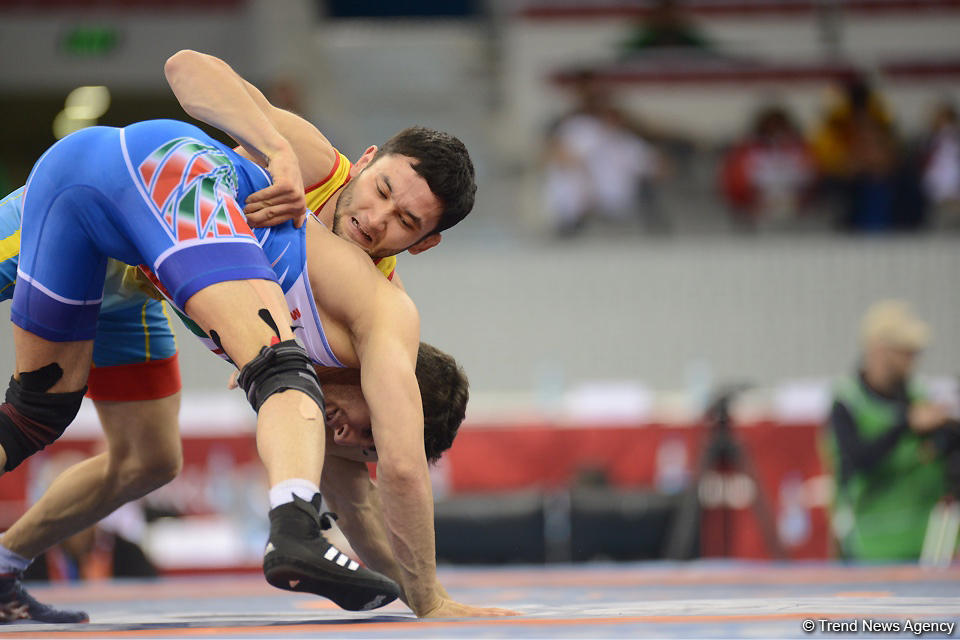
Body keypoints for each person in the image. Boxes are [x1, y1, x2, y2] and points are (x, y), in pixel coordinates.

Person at [0, 49, 509, 622]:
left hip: (142, 277)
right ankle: (293, 526)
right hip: (136, 198)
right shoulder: (322, 174)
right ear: (366, 161)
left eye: (406, 223)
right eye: (382, 190)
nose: (376, 218)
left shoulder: (363, 307)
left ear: (424, 243)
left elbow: (356, 495)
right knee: (281, 373)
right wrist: (279, 150)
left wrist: (422, 598)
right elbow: (184, 68)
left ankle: (3, 564)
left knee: (134, 452)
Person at [824, 300, 960, 561]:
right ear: (879, 350)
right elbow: (859, 459)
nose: (913, 359)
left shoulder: (919, 396)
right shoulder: (849, 401)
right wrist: (906, 425)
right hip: (869, 550)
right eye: (905, 351)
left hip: (930, 547)